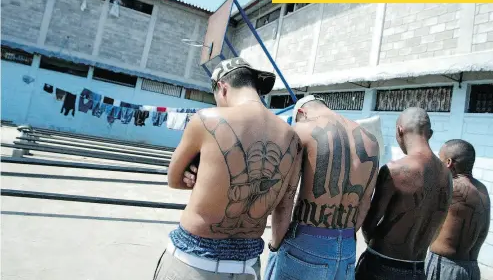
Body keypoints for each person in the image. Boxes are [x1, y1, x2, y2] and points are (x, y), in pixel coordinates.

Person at [153, 57, 304, 280]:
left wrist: (195, 176)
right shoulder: (292, 137)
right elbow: (284, 206)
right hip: (247, 267)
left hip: (193, 262)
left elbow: (173, 179)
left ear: (222, 88)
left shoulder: (206, 120)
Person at [264, 95, 381, 280]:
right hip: (347, 247)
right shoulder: (370, 139)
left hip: (307, 242)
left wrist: (275, 244)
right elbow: (365, 202)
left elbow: (286, 199)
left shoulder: (302, 129)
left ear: (301, 113)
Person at [356, 107, 453, 280]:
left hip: (382, 267)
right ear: (429, 134)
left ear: (399, 130)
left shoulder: (395, 170)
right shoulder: (447, 175)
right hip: (418, 269)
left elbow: (369, 224)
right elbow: (437, 225)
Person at [426, 139, 490, 280]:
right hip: (472, 269)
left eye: (439, 159)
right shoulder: (482, 189)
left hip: (445, 268)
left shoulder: (450, 187)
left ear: (448, 162)